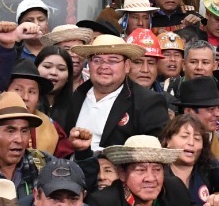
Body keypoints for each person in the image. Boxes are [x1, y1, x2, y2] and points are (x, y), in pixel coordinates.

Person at [59, 34, 172, 164]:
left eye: (112, 60)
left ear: (127, 66)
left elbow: (155, 155)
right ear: (88, 64)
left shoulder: (148, 102)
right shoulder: (76, 95)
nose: (104, 66)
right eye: (97, 60)